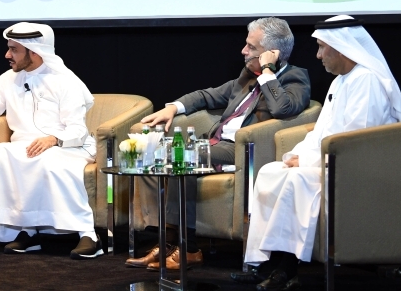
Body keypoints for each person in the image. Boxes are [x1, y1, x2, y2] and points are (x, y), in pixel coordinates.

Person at [233, 15, 401, 291]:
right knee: (269, 172)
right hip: (328, 161)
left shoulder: (367, 81)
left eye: (322, 47)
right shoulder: (341, 81)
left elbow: (354, 140)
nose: (317, 55)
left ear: (340, 48)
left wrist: (306, 162)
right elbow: (321, 132)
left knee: (296, 180)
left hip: (361, 169)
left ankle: (287, 269)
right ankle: (261, 264)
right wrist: (296, 155)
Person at [129, 17, 311, 271]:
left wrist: (268, 72)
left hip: (243, 149)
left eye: (251, 47)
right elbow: (207, 95)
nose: (243, 51)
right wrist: (172, 107)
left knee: (183, 159)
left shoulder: (295, 78)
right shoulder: (247, 76)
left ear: (271, 53)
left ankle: (189, 249)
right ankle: (169, 243)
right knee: (156, 156)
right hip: (216, 144)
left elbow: (283, 108)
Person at [0, 22, 103, 259]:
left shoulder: (65, 80)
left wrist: (53, 139)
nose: (7, 55)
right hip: (25, 146)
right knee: (0, 154)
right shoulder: (8, 79)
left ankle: (88, 234)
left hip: (66, 145)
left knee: (48, 160)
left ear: (34, 52)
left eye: (14, 50)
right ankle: (28, 231)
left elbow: (77, 130)